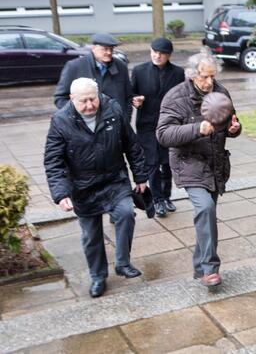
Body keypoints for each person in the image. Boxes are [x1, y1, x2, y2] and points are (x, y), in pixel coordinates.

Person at [43, 78, 148, 298]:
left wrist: (140, 176)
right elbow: (53, 161)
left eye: (94, 99)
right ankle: (98, 276)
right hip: (83, 186)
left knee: (127, 213)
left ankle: (122, 262)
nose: (90, 105)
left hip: (114, 179)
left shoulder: (113, 109)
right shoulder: (61, 121)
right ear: (72, 99)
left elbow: (131, 144)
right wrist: (61, 193)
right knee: (92, 236)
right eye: (84, 101)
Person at [156, 52, 242, 287]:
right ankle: (210, 268)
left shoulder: (221, 92)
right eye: (205, 77)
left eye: (213, 77)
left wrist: (235, 128)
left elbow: (230, 120)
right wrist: (196, 129)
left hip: (215, 163)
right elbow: (163, 134)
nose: (209, 82)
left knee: (207, 216)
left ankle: (198, 267)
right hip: (189, 163)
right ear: (192, 75)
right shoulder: (175, 98)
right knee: (205, 209)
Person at [131, 37, 185, 217]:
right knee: (152, 163)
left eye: (161, 53)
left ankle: (167, 196)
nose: (157, 56)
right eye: (154, 51)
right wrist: (135, 100)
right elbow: (131, 93)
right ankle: (157, 199)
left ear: (168, 55)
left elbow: (181, 96)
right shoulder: (139, 71)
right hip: (147, 125)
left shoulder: (178, 73)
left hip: (169, 124)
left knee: (168, 162)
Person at [54, 33, 133, 116]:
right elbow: (60, 98)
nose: (109, 52)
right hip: (87, 124)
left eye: (111, 49)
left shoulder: (121, 67)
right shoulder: (75, 67)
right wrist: (79, 116)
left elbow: (128, 97)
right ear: (94, 48)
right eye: (105, 49)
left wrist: (126, 119)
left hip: (117, 123)